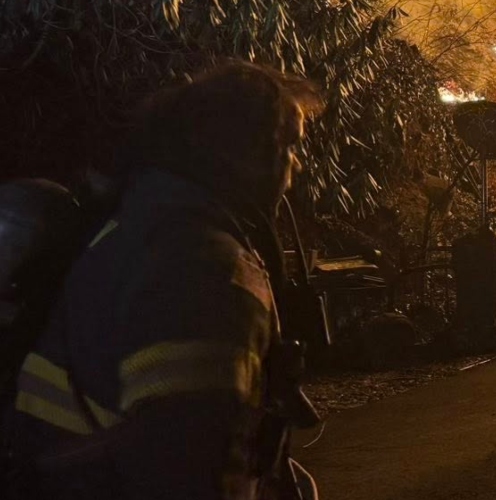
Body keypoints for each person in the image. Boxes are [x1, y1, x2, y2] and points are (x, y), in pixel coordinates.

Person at [4, 62, 323, 498]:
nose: (297, 165)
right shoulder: (204, 269)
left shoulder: (140, 225)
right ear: (248, 152)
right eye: (290, 145)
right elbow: (188, 462)